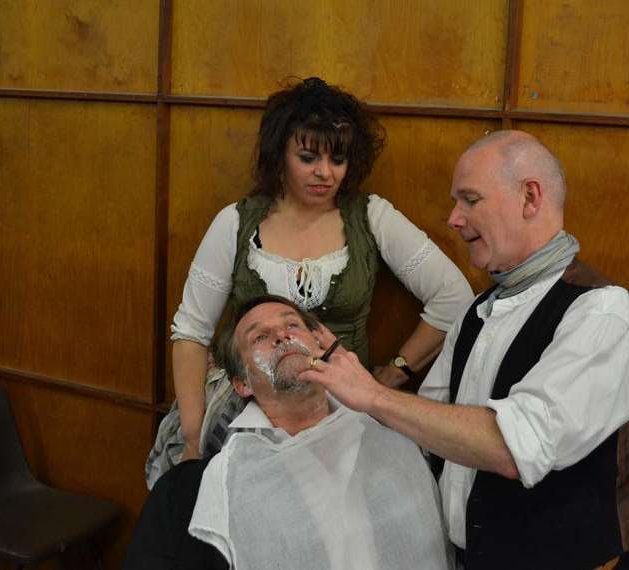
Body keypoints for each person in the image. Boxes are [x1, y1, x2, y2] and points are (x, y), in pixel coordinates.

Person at [300, 130, 629, 569]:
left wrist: (373, 393)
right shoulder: (477, 311)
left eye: (470, 200)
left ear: (530, 197)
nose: (453, 218)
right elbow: (422, 435)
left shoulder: (606, 314)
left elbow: (514, 447)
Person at [145, 77, 474, 487]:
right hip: (251, 407)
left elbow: (453, 295)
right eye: (307, 157)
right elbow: (191, 331)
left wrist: (394, 372)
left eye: (338, 160)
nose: (325, 173)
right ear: (279, 155)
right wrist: (194, 439)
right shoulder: (237, 222)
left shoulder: (371, 216)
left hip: (343, 412)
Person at [125, 296, 454, 570]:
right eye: (260, 337)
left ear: (321, 347)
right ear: (242, 384)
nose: (282, 336)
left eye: (292, 325)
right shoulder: (194, 492)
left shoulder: (396, 440)